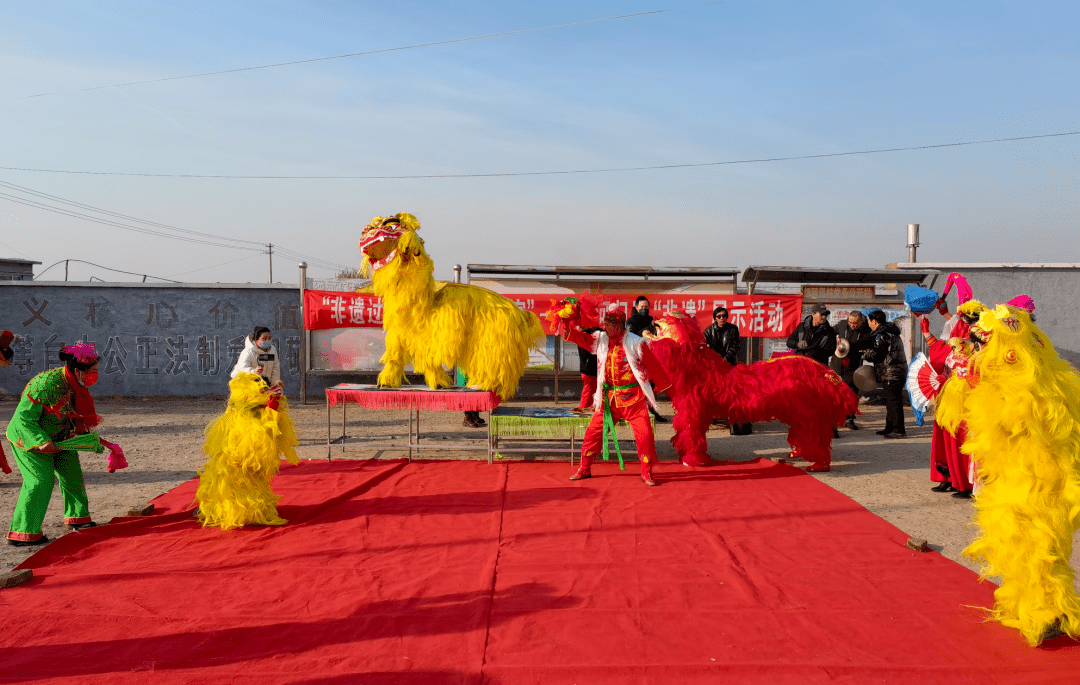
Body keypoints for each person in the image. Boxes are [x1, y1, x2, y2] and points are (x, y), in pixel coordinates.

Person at [6, 342, 104, 546]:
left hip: (61, 437)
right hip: (30, 439)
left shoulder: (77, 384)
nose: (95, 375)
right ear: (78, 371)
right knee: (40, 481)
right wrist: (41, 441)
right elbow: (23, 419)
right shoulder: (44, 384)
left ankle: (78, 518)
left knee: (72, 475)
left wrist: (81, 437)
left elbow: (74, 414)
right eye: (92, 371)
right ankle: (22, 532)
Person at [570, 306, 671, 486]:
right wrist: (567, 324)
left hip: (633, 399)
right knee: (592, 433)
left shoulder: (636, 342)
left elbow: (653, 365)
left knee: (645, 434)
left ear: (619, 326)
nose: (605, 327)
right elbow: (582, 339)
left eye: (609, 324)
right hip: (608, 399)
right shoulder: (601, 339)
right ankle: (585, 468)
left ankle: (646, 472)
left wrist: (663, 387)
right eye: (605, 323)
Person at [918, 301, 974, 496]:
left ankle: (965, 482)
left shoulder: (977, 350)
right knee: (944, 437)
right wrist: (928, 330)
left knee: (961, 438)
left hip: (966, 399)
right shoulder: (953, 347)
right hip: (947, 396)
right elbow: (940, 348)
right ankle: (947, 477)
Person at [703, 306, 751, 434]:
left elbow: (736, 345)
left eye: (724, 315)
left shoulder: (733, 329)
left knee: (733, 392)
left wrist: (726, 357)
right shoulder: (708, 331)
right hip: (715, 367)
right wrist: (717, 359)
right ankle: (712, 415)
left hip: (730, 365)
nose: (722, 318)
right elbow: (706, 350)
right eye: (719, 316)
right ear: (715, 318)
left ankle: (735, 420)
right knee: (713, 392)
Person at [864, 310, 908, 438]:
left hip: (891, 372)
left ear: (874, 321)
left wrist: (866, 356)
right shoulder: (892, 332)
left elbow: (877, 354)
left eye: (870, 321)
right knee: (892, 400)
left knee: (894, 401)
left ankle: (898, 430)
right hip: (897, 370)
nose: (869, 324)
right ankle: (890, 427)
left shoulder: (881, 334)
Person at [626, 296, 668, 423]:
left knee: (652, 386)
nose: (644, 309)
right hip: (636, 358)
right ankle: (633, 413)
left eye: (646, 307)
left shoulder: (650, 319)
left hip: (651, 356)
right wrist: (646, 330)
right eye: (641, 307)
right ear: (637, 307)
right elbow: (631, 338)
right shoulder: (630, 321)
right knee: (637, 386)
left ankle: (653, 411)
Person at [832, 310, 873, 430]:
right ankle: (835, 418)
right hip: (837, 364)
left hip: (854, 365)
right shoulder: (842, 324)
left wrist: (861, 349)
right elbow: (830, 333)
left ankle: (849, 418)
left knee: (851, 394)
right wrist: (835, 342)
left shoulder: (867, 331)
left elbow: (870, 346)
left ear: (861, 321)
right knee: (835, 392)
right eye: (850, 322)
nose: (852, 325)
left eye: (855, 323)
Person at [574, 328, 600, 413]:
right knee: (588, 393)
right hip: (589, 369)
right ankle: (583, 413)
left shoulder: (597, 332)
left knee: (595, 393)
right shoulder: (584, 334)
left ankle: (591, 413)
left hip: (594, 368)